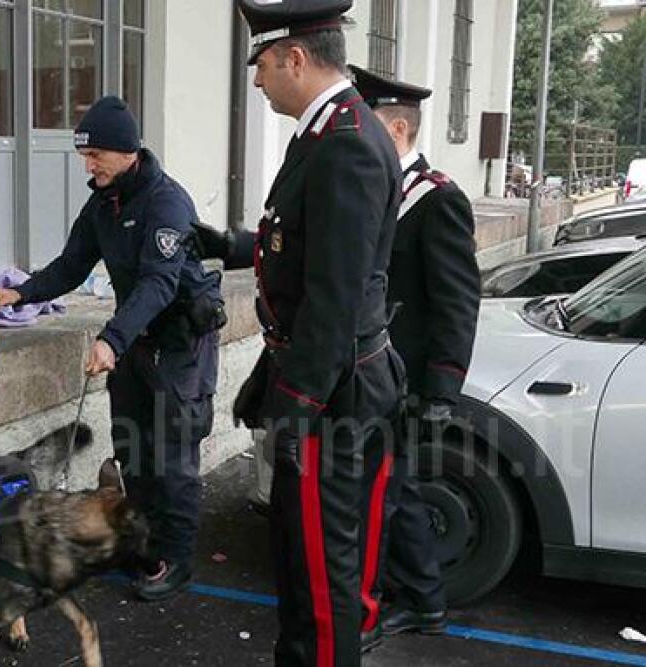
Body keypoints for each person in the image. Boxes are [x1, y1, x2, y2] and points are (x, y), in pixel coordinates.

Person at [0, 96, 226, 601]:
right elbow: (71, 265)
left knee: (171, 457)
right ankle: (144, 545)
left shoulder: (165, 203)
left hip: (179, 343)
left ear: (128, 151)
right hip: (135, 342)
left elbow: (158, 283)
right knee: (133, 450)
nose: (88, 167)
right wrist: (22, 293)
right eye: (84, 156)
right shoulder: (103, 204)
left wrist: (111, 339)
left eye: (96, 156)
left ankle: (176, 559)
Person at [233, 2, 405, 665]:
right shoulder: (327, 133)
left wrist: (295, 404)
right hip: (326, 383)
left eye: (262, 65)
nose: (257, 80)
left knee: (323, 581)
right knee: (298, 563)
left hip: (331, 396)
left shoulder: (346, 143)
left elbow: (335, 296)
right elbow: (301, 246)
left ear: (296, 59)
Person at [349, 65, 481, 651]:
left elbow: (458, 301)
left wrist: (443, 387)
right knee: (391, 491)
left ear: (398, 130)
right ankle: (424, 600)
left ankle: (398, 603)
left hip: (403, 377)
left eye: (369, 124)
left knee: (385, 495)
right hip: (372, 374)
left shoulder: (437, 200)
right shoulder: (378, 190)